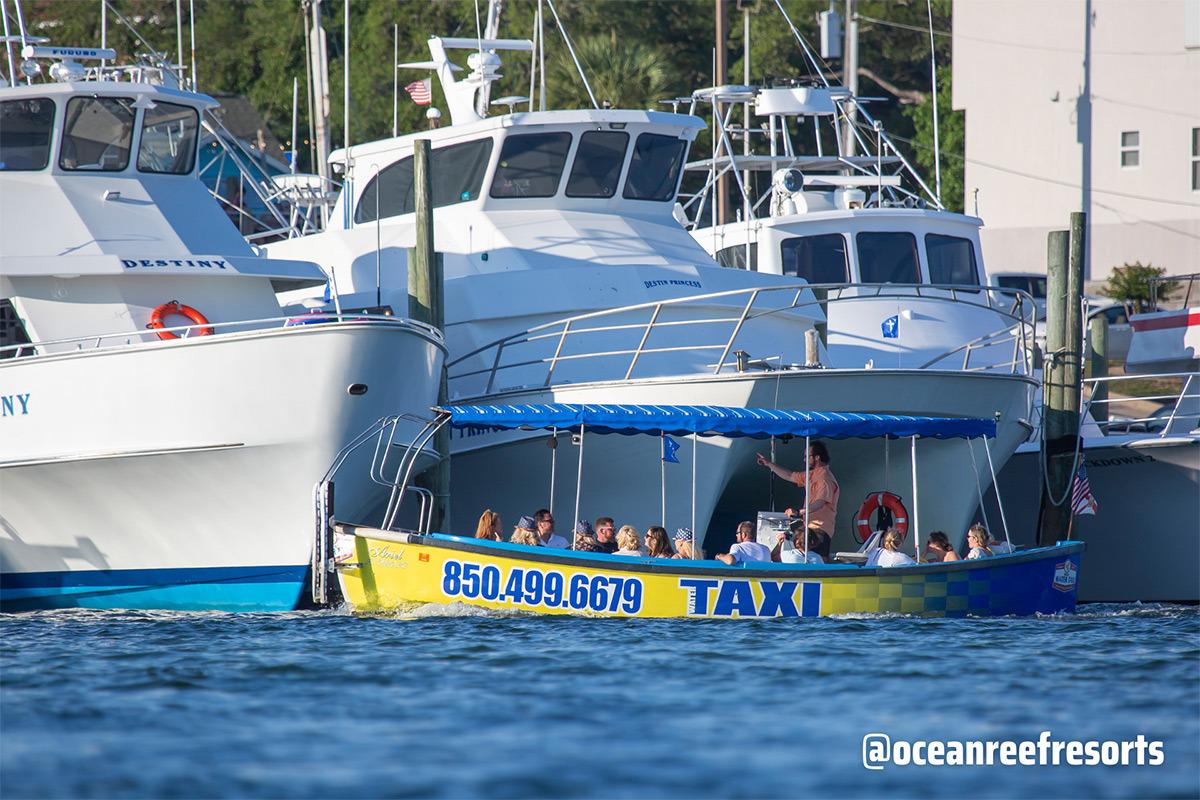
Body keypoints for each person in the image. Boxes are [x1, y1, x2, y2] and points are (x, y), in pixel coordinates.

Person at [756, 441, 840, 535]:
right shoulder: (811, 474)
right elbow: (789, 475)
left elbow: (819, 502)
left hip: (820, 529)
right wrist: (768, 463)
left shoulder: (825, 478)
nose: (804, 460)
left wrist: (798, 512)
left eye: (807, 456)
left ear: (817, 457)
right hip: (809, 526)